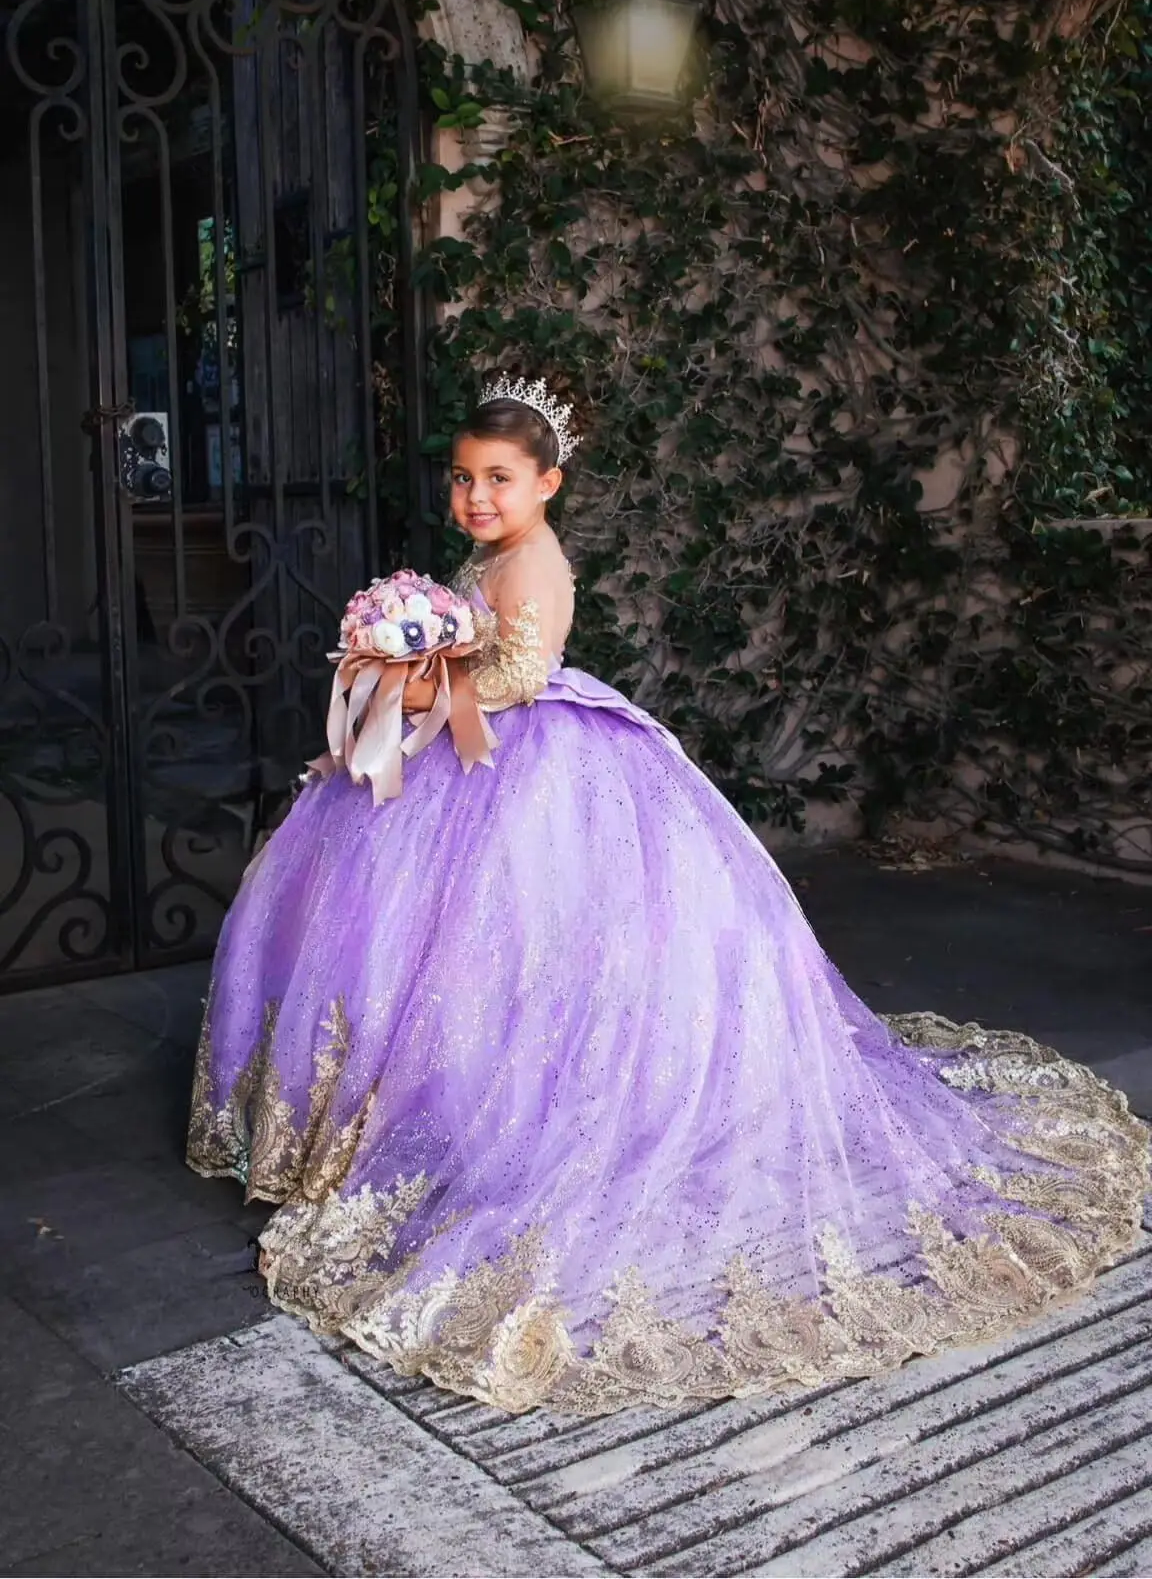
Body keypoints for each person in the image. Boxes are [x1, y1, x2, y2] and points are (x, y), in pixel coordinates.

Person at [188, 375, 1150, 1414]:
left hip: (533, 754)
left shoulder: (540, 560)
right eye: (464, 479)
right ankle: (385, 1103)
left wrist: (420, 677)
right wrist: (409, 651)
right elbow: (475, 653)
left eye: (499, 480)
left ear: (548, 483)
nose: (476, 497)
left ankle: (503, 1110)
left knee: (533, 938)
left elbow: (515, 674)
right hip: (467, 749)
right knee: (406, 922)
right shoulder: (484, 553)